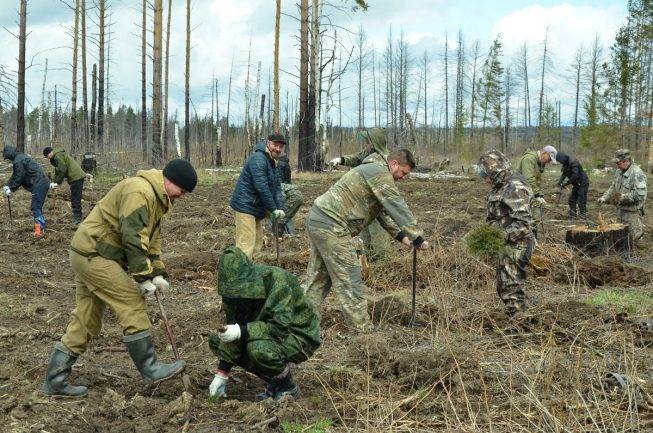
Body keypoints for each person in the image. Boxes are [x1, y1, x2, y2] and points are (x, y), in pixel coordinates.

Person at [41, 159, 198, 397]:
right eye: (182, 190)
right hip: (94, 254)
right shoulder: (139, 191)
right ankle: (150, 369)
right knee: (132, 301)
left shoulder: (158, 199)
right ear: (170, 180)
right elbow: (133, 237)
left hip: (92, 253)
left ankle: (55, 380)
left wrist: (157, 272)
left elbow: (151, 239)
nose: (182, 196)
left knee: (87, 319)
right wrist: (142, 278)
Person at [303, 148, 428, 331]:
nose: (403, 177)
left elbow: (382, 213)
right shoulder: (379, 172)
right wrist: (417, 236)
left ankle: (299, 322)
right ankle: (362, 332)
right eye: (403, 172)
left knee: (319, 278)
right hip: (332, 225)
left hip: (319, 219)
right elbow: (396, 204)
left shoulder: (373, 171)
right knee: (350, 277)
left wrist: (403, 237)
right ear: (393, 164)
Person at [208, 246, 320, 400]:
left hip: (297, 334)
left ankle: (287, 387)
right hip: (263, 332)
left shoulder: (276, 281)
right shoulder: (231, 294)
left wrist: (241, 331)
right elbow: (234, 330)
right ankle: (276, 380)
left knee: (258, 349)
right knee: (217, 341)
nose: (236, 295)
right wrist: (222, 373)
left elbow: (279, 327)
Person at [478, 150, 536, 317]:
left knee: (511, 285)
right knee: (504, 284)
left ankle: (520, 321)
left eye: (486, 174)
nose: (485, 179)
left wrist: (498, 237)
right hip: (507, 244)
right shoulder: (500, 186)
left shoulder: (514, 186)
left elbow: (524, 224)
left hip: (518, 244)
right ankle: (517, 316)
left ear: (495, 171)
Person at [328, 128, 390, 257]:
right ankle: (366, 258)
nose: (366, 144)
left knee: (379, 233)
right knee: (364, 232)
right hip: (364, 201)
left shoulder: (384, 160)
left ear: (374, 143)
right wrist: (341, 159)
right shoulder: (367, 153)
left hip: (378, 201)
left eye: (368, 142)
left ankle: (383, 261)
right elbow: (356, 158)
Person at [230, 133, 287, 259]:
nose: (277, 149)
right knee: (246, 244)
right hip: (245, 206)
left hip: (255, 207)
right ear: (268, 143)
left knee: (256, 244)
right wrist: (273, 209)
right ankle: (241, 276)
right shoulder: (258, 159)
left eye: (280, 147)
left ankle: (252, 272)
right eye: (275, 145)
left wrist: (280, 208)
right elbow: (261, 187)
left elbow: (277, 187)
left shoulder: (271, 161)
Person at [598, 149, 647, 243]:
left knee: (635, 240)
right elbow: (613, 187)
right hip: (621, 211)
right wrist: (604, 198)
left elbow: (639, 195)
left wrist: (621, 197)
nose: (617, 165)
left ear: (626, 161)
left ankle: (639, 256)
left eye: (618, 163)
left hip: (632, 214)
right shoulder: (619, 172)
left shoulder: (637, 173)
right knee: (621, 239)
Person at [2, 145, 50, 237]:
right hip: (40, 182)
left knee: (36, 206)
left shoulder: (18, 161)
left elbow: (20, 177)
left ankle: (39, 230)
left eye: (8, 157)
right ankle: (40, 228)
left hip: (39, 183)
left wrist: (11, 189)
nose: (8, 159)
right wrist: (8, 185)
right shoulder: (20, 158)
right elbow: (15, 175)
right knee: (37, 206)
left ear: (10, 154)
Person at [516, 145, 557, 237]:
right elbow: (529, 179)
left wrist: (541, 195)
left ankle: (533, 240)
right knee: (524, 217)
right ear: (544, 153)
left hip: (528, 191)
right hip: (518, 192)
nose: (549, 162)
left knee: (535, 216)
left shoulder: (540, 163)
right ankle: (526, 240)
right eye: (549, 159)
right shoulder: (529, 159)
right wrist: (538, 195)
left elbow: (537, 182)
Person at [43, 146, 87, 225]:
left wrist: (57, 182)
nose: (47, 158)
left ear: (50, 153)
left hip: (76, 177)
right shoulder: (58, 155)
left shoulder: (57, 156)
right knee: (75, 197)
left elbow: (62, 169)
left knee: (75, 198)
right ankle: (77, 216)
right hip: (76, 177)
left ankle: (77, 218)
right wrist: (54, 181)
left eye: (47, 156)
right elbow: (58, 171)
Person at [274, 152, 303, 236]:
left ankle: (280, 232)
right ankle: (291, 233)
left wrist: (279, 191)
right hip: (288, 189)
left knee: (281, 214)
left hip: (281, 190)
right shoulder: (286, 164)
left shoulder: (280, 164)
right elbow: (287, 179)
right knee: (287, 214)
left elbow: (278, 178)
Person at [555, 151, 589, 220]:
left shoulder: (573, 162)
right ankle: (573, 214)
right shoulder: (565, 163)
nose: (560, 163)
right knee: (572, 200)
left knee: (581, 200)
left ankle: (583, 215)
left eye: (560, 161)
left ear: (563, 159)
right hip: (576, 184)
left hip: (583, 182)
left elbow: (575, 175)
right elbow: (564, 173)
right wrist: (560, 182)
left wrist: (566, 183)